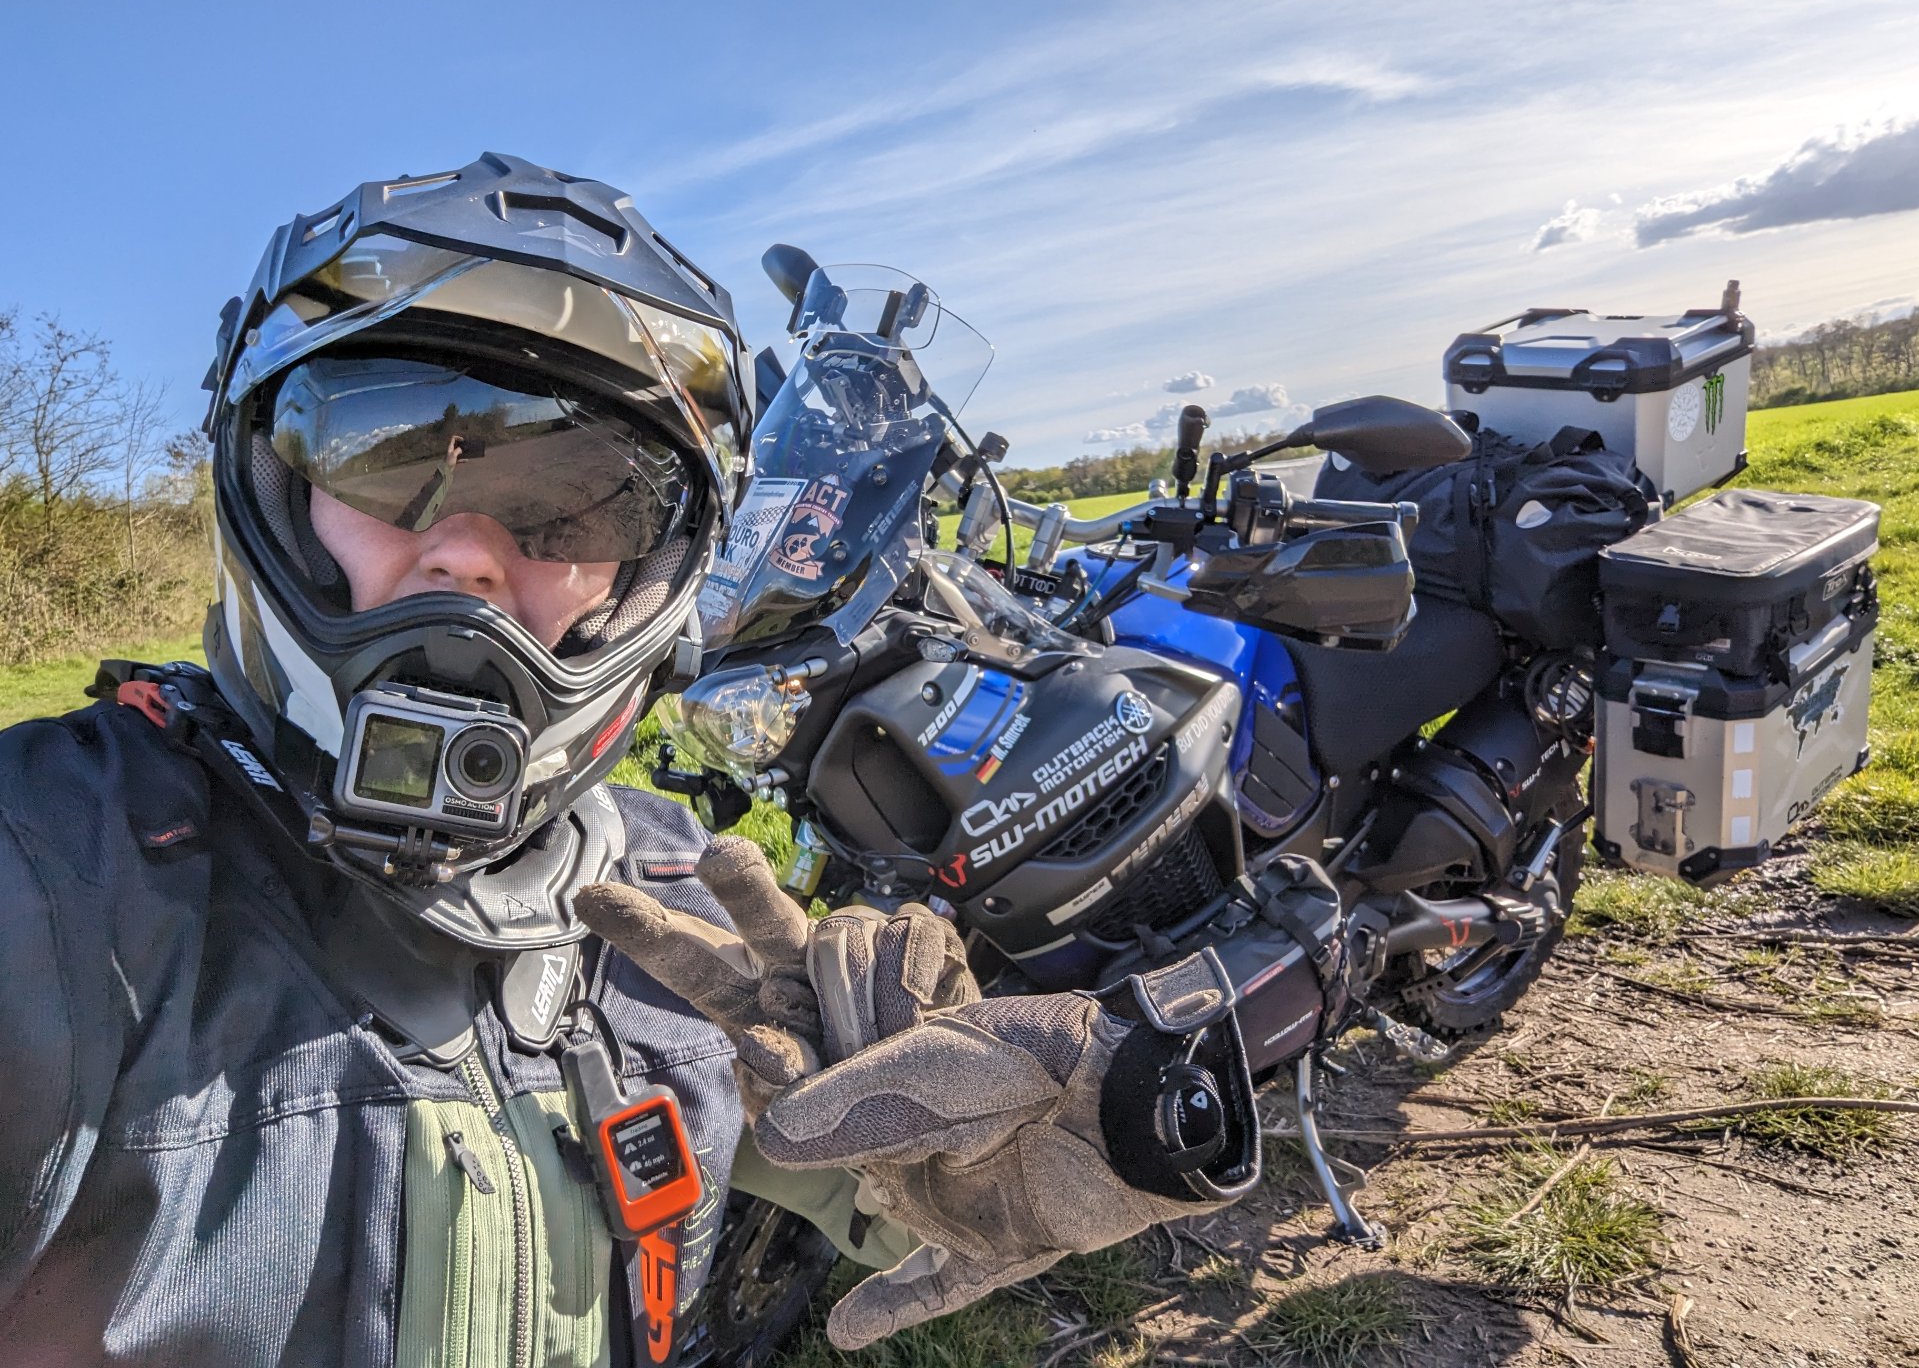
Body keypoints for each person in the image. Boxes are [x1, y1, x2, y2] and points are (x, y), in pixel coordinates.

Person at [0, 153, 1259, 1366]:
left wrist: (1047, 1139)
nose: (469, 555)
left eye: (575, 504)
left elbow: (880, 1189)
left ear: (650, 576)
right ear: (273, 483)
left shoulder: (674, 906)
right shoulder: (45, 864)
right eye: (389, 460)